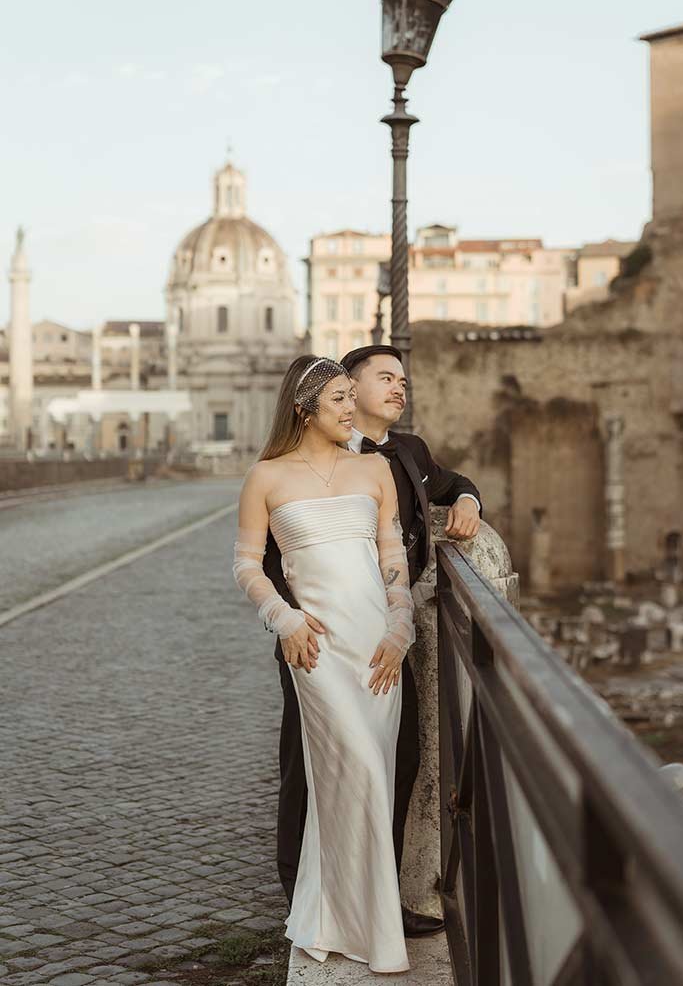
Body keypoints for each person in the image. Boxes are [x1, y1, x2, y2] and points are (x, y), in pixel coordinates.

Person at [263, 345, 483, 936]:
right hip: (315, 639)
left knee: (399, 758)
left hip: (386, 634)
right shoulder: (302, 461)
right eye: (384, 377)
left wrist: (467, 500)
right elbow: (263, 560)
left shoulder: (405, 452)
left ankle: (378, 901)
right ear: (345, 388)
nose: (399, 387)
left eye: (404, 379)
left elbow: (454, 484)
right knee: (307, 766)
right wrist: (289, 624)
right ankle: (303, 896)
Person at [233, 355, 416, 973]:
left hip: (375, 646)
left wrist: (401, 626)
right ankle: (366, 926)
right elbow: (247, 566)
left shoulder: (375, 469)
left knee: (368, 781)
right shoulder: (266, 477)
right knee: (356, 771)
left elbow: (393, 558)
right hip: (315, 647)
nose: (350, 409)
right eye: (339, 398)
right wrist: (282, 620)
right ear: (304, 407)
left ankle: (347, 918)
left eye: (349, 397)